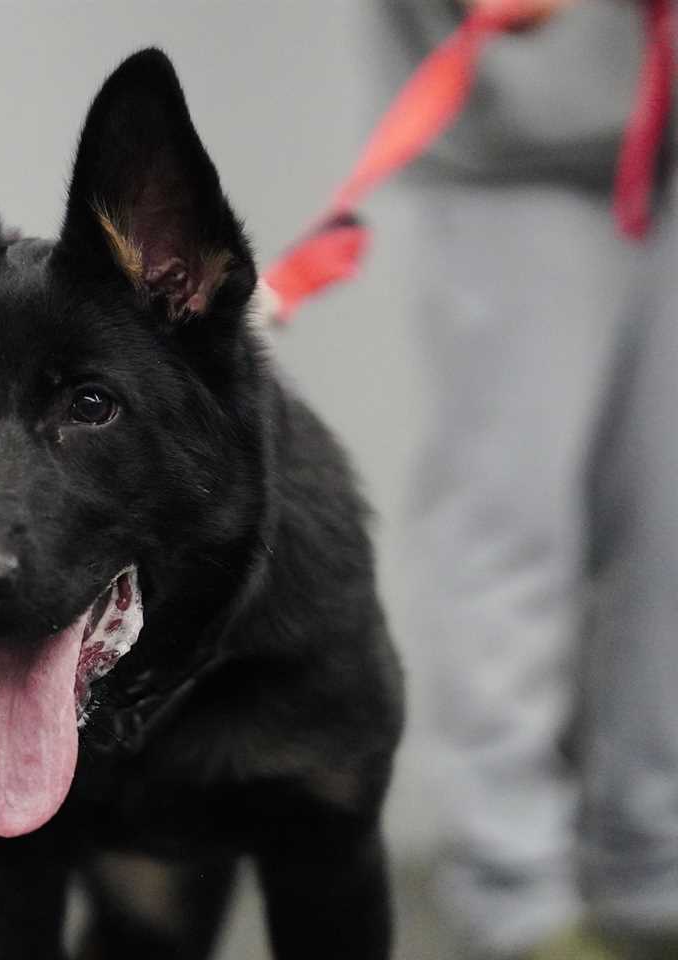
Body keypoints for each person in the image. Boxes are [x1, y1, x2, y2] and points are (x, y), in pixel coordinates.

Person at [373, 1, 678, 958]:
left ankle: (652, 867)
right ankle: (514, 896)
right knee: (510, 534)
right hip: (518, 149)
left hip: (666, 147)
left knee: (667, 540)